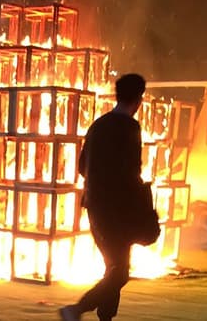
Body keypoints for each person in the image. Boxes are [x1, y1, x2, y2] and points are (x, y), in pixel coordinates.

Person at [59, 73, 147, 321]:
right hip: (118, 209)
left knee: (114, 266)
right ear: (139, 99)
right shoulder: (130, 127)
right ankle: (76, 309)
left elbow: (82, 165)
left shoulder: (98, 125)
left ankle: (104, 317)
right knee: (119, 272)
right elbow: (132, 170)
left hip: (94, 206)